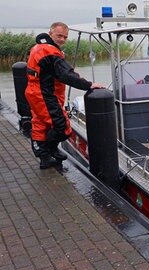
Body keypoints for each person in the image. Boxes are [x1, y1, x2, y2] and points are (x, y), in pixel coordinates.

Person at [25, 22, 105, 169]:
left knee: (41, 123)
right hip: (43, 94)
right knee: (62, 126)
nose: (62, 39)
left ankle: (45, 158)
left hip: (37, 92)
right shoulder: (50, 52)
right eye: (59, 36)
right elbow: (66, 75)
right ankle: (49, 149)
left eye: (65, 37)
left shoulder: (38, 47)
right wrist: (88, 85)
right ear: (50, 34)